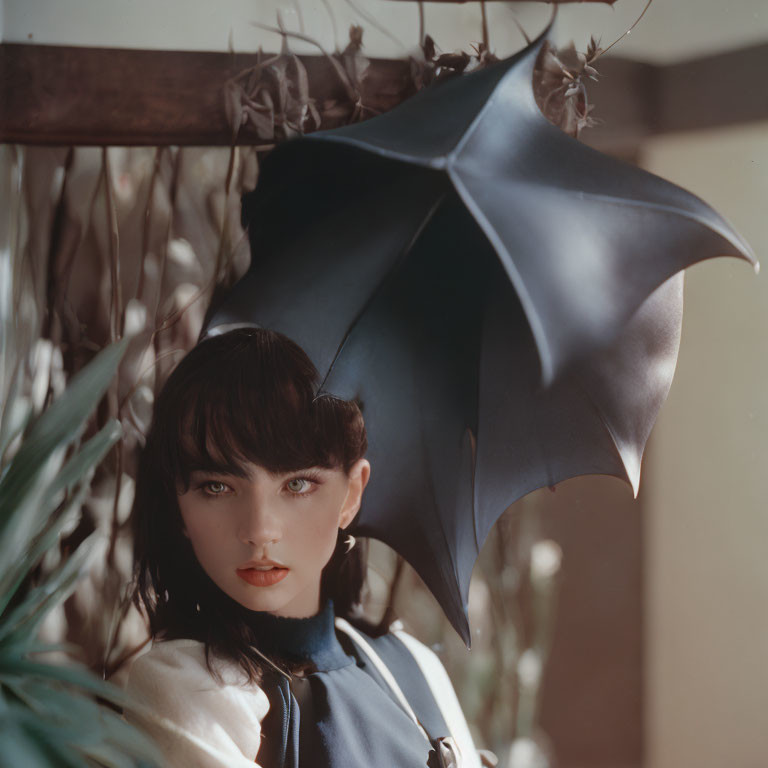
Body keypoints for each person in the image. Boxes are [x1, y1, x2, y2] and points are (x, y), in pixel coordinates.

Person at [125, 327, 482, 768]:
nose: (259, 531)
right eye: (216, 487)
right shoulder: (186, 687)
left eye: (296, 484)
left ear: (351, 495)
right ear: (178, 506)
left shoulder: (412, 668)